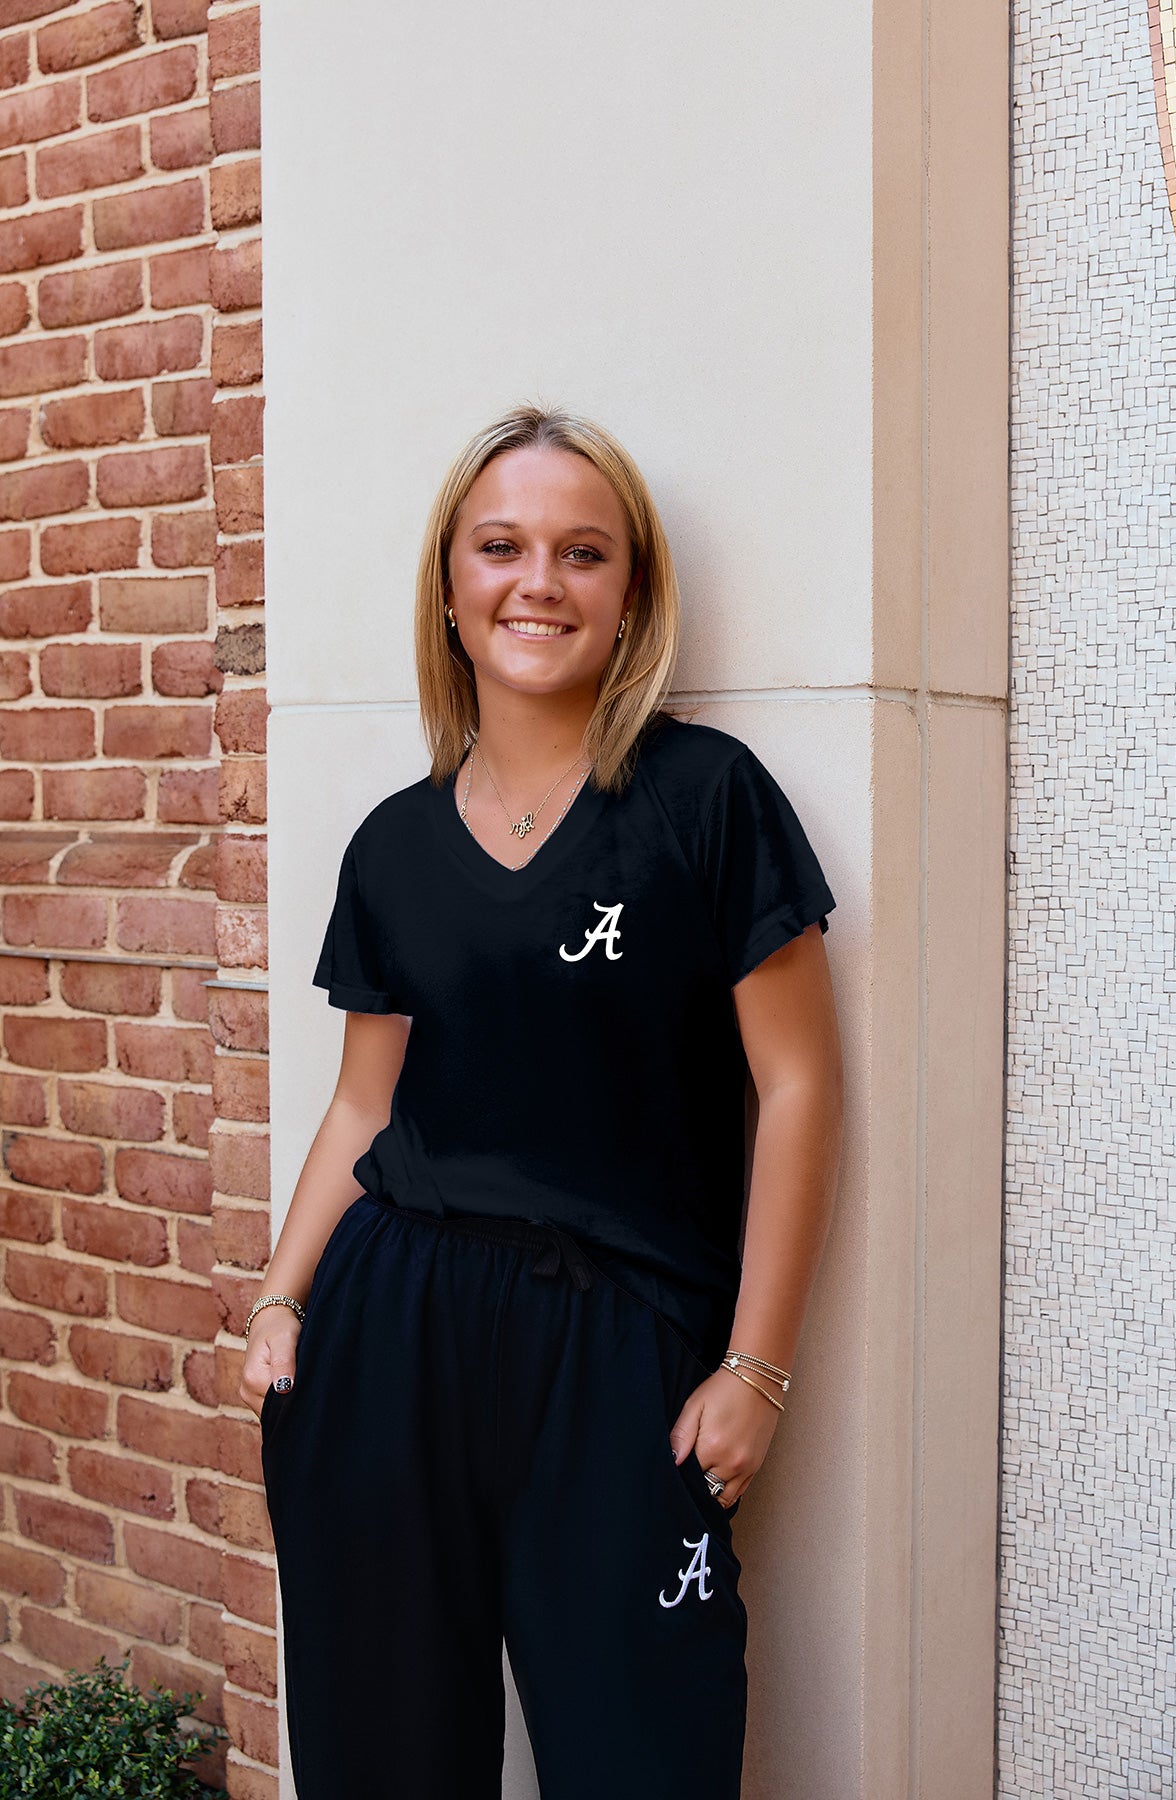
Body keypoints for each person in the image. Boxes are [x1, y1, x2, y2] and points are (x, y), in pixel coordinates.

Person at [241, 403, 845, 1799]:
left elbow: (800, 1082)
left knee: (644, 1756)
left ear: (631, 598)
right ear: (450, 590)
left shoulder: (705, 800)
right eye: (501, 546)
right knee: (380, 1756)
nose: (540, 582)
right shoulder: (390, 844)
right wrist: (281, 1304)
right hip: (387, 1337)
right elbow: (361, 1112)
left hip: (620, 1358)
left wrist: (756, 1367)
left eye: (586, 553)